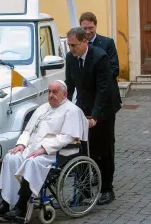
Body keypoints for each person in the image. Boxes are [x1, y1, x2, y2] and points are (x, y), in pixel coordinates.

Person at [0, 80, 88, 220]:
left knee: (32, 162)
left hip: (56, 153)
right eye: (49, 92)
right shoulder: (42, 108)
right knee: (11, 157)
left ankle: (21, 207)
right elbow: (28, 130)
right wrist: (21, 144)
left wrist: (44, 148)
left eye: (55, 92)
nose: (51, 95)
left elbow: (67, 137)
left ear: (64, 94)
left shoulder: (72, 111)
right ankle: (5, 204)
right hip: (32, 148)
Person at [65, 27, 121, 205]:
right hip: (83, 106)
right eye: (69, 45)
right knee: (81, 149)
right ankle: (83, 190)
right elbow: (70, 84)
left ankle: (107, 190)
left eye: (74, 45)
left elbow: (103, 89)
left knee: (103, 150)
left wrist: (95, 116)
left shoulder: (100, 57)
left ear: (84, 42)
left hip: (103, 108)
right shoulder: (70, 57)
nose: (71, 49)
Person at [79, 12, 121, 204]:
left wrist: (93, 79)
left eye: (90, 28)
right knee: (88, 145)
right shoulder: (78, 47)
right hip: (87, 104)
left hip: (106, 103)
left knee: (106, 146)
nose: (87, 32)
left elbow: (114, 69)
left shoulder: (107, 43)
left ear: (95, 26)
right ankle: (92, 176)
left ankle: (107, 188)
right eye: (84, 28)